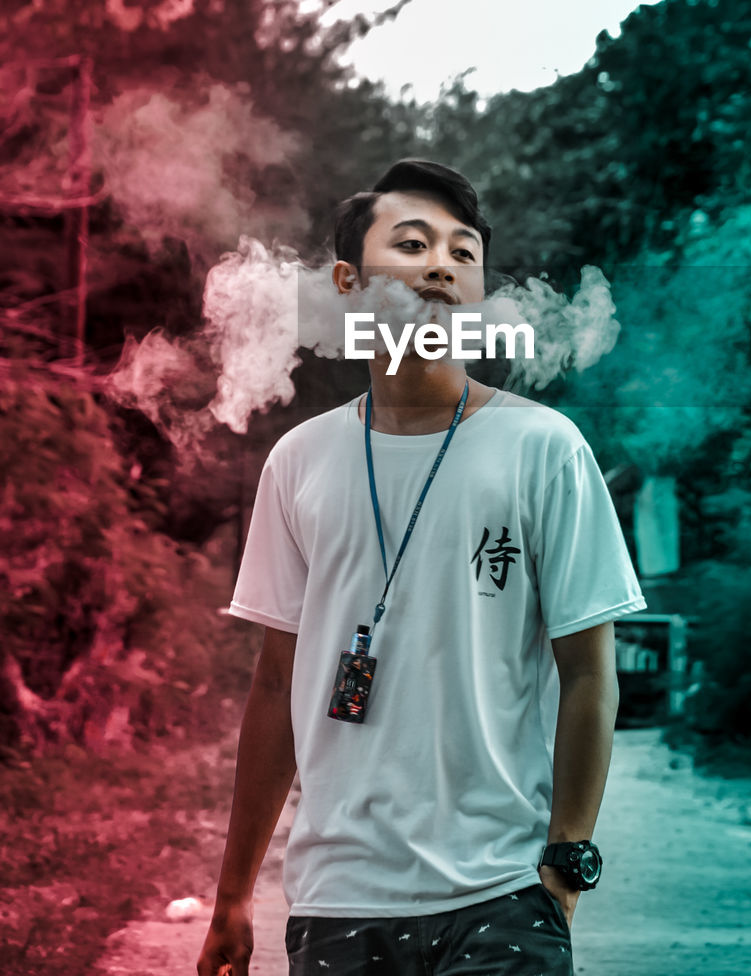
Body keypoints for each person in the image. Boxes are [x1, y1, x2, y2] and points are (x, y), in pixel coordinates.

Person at [197, 158, 646, 976]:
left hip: (504, 892)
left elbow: (589, 671)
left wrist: (565, 862)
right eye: (412, 243)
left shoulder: (544, 448)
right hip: (337, 897)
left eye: (464, 251)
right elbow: (275, 688)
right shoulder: (300, 461)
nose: (443, 263)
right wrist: (232, 896)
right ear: (347, 280)